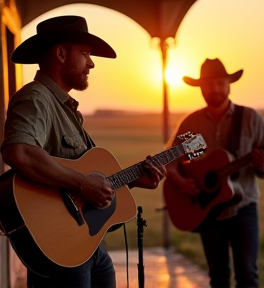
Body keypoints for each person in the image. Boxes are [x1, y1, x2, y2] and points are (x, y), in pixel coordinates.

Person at [0, 15, 166, 288]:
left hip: (85, 246)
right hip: (59, 249)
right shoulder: (35, 99)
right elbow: (19, 152)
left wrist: (133, 180)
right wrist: (82, 183)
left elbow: (82, 189)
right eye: (86, 53)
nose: (91, 63)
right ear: (61, 53)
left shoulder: (65, 108)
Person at [165, 58, 264, 288]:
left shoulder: (250, 119)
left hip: (243, 208)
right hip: (208, 210)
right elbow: (170, 161)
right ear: (201, 88)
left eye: (219, 83)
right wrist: (181, 182)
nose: (214, 89)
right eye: (208, 84)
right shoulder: (192, 124)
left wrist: (262, 164)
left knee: (247, 276)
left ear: (228, 84)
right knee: (218, 277)